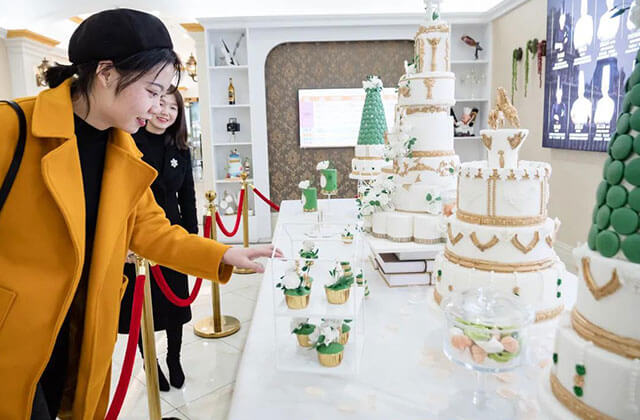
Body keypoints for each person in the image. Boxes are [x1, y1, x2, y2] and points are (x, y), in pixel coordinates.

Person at [0, 9, 280, 420]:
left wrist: (222, 253)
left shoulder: (122, 150)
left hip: (80, 333)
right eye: (152, 91)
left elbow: (152, 230)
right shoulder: (12, 128)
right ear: (106, 72)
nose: (157, 107)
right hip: (12, 337)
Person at [118, 87, 198, 391]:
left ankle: (174, 359)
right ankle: (149, 362)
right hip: (137, 238)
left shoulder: (180, 149)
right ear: (149, 105)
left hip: (172, 236)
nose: (165, 112)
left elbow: (187, 197)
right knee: (142, 307)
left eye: (173, 108)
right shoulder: (128, 142)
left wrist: (192, 240)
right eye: (160, 103)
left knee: (175, 304)